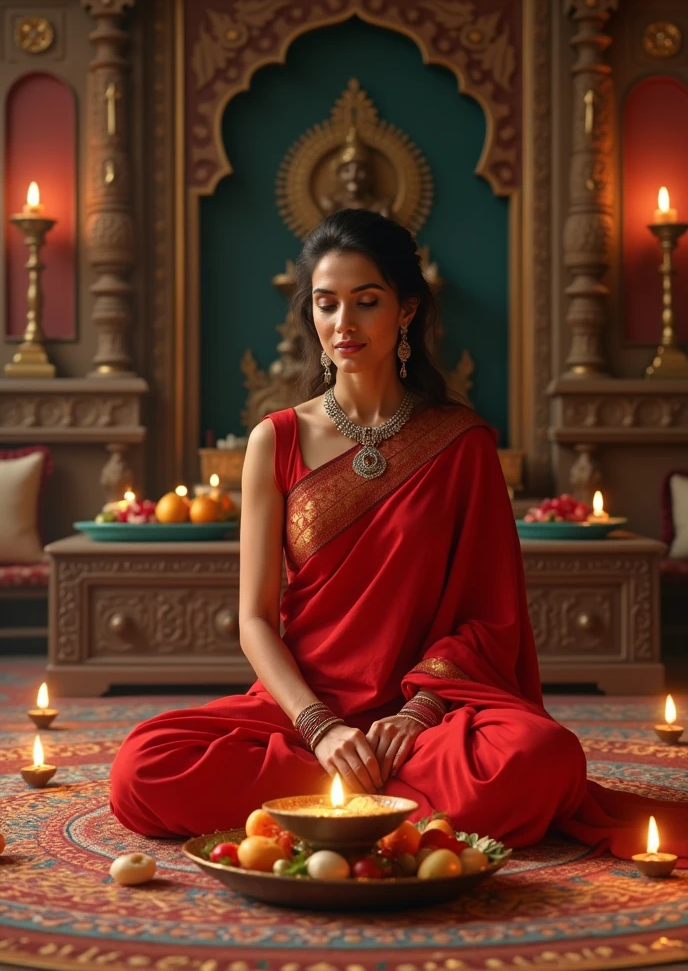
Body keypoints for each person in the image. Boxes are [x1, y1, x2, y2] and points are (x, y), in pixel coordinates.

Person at [110, 210, 687, 863]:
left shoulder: (461, 442)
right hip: (304, 713)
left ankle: (331, 806)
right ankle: (384, 805)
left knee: (542, 759)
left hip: (425, 723)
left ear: (407, 310)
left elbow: (489, 619)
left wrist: (415, 716)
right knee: (141, 767)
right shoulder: (278, 439)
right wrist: (322, 728)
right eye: (327, 305)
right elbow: (253, 620)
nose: (344, 325)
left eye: (367, 301)